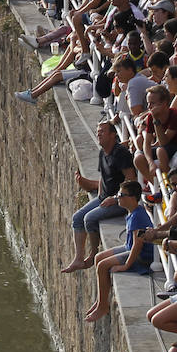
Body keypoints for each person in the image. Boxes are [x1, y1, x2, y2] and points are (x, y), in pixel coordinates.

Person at [64, 119, 137, 272]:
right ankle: (78, 258)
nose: (99, 134)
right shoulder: (103, 153)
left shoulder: (120, 154)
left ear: (113, 135)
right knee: (77, 218)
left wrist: (116, 198)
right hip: (103, 198)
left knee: (89, 219)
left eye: (102, 131)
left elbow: (131, 181)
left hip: (120, 201)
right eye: (97, 131)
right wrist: (85, 183)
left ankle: (92, 255)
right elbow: (105, 180)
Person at [83, 180, 154, 321]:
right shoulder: (132, 211)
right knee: (98, 258)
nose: (118, 198)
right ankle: (100, 301)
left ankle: (103, 307)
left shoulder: (138, 216)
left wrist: (126, 265)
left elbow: (138, 245)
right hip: (129, 247)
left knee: (103, 266)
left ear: (132, 198)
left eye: (121, 195)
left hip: (140, 256)